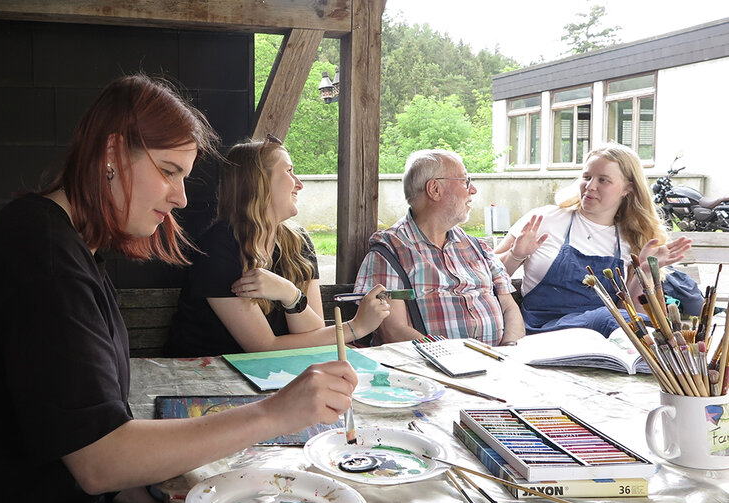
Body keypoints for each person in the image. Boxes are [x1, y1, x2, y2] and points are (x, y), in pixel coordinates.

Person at [0, 74, 359, 503]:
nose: (181, 197)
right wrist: (275, 413)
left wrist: (144, 489)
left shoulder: (63, 243)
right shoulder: (42, 259)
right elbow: (100, 458)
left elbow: (60, 431)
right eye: (169, 171)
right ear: (111, 154)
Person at [166, 136, 390, 357]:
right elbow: (263, 347)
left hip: (271, 376)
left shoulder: (297, 241)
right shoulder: (217, 248)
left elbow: (313, 333)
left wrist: (289, 294)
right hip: (206, 377)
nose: (299, 184)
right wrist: (356, 328)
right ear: (259, 182)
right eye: (289, 171)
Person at [494, 142, 691, 337]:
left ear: (627, 189)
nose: (590, 186)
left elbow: (632, 313)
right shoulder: (544, 220)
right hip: (540, 331)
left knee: (618, 320)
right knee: (608, 317)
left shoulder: (632, 239)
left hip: (600, 338)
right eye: (586, 177)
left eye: (603, 180)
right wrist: (516, 255)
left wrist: (644, 272)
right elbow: (485, 277)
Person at [353, 149, 525, 346]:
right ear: (435, 189)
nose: (473, 189)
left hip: (498, 363)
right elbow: (392, 331)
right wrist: (454, 359)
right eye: (465, 181)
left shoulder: (477, 247)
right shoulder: (390, 251)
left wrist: (509, 351)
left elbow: (510, 309)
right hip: (431, 369)